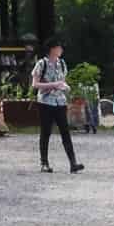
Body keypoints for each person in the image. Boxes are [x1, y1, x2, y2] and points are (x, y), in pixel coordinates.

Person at [31, 37, 84, 174]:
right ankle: (44, 163)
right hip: (45, 102)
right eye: (59, 47)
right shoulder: (41, 64)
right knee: (46, 132)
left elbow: (62, 81)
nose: (61, 50)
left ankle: (73, 163)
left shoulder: (62, 64)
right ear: (52, 49)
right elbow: (35, 84)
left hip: (60, 102)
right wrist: (53, 85)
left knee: (65, 132)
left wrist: (65, 87)